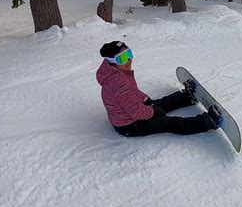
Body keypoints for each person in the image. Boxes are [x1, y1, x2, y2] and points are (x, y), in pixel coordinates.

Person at [96, 41, 224, 137]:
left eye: (129, 54)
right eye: (122, 58)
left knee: (160, 103)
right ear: (112, 61)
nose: (129, 60)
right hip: (130, 125)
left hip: (130, 111)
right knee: (168, 123)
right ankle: (207, 123)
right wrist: (153, 112)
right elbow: (136, 113)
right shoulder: (119, 83)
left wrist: (146, 100)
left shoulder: (115, 73)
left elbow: (133, 92)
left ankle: (186, 98)